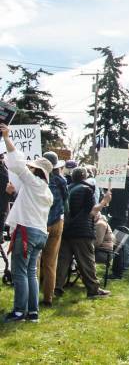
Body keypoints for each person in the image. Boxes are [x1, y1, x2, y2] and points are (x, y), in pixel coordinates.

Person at [2, 123, 54, 323]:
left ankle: (18, 311)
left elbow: (16, 164)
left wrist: (7, 138)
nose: (30, 169)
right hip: (39, 233)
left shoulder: (33, 182)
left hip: (27, 232)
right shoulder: (46, 190)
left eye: (33, 168)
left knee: (20, 272)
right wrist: (13, 192)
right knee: (31, 272)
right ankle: (33, 312)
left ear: (37, 171)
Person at [55, 167, 112, 300]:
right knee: (87, 262)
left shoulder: (66, 188)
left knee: (63, 262)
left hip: (66, 229)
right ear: (84, 177)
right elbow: (92, 212)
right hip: (82, 231)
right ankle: (93, 290)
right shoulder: (87, 190)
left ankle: (56, 288)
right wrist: (105, 201)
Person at [39, 151, 68, 307]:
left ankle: (31, 294)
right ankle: (48, 298)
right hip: (57, 222)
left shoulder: (38, 179)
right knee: (51, 262)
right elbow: (65, 199)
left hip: (40, 222)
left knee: (35, 262)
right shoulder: (60, 180)